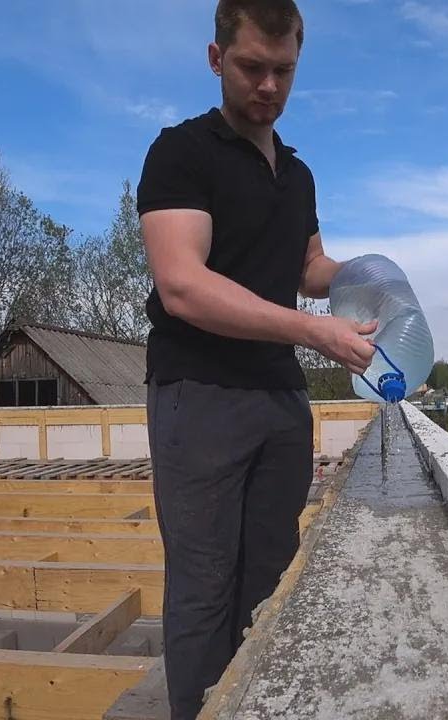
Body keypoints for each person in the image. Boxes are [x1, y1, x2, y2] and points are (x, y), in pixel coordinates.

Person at [135, 1, 376, 717]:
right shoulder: (183, 153)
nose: (268, 85)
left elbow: (307, 268)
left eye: (283, 71)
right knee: (205, 591)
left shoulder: (297, 176)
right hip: (199, 395)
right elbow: (183, 285)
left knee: (271, 583)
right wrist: (315, 333)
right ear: (216, 59)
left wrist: (375, 275)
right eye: (251, 68)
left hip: (279, 401)